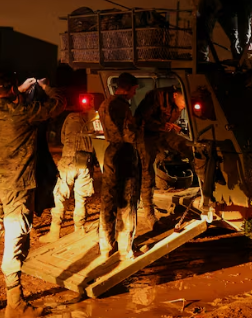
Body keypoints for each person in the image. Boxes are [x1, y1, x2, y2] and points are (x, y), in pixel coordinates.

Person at [0, 72, 66, 317]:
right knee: (14, 244)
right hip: (17, 189)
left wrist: (17, 88)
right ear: (14, 89)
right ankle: (14, 304)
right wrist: (45, 89)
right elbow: (59, 104)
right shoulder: (24, 114)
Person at [135, 86, 194, 228]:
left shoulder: (177, 105)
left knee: (189, 148)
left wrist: (171, 126)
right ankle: (150, 215)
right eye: (183, 100)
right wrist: (162, 125)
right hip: (145, 135)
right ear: (175, 95)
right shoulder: (156, 98)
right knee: (147, 174)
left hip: (161, 132)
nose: (185, 104)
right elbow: (143, 120)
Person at [97, 72, 142, 260]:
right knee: (127, 200)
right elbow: (129, 135)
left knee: (108, 199)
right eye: (133, 90)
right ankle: (125, 249)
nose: (133, 94)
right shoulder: (122, 107)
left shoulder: (105, 103)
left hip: (110, 153)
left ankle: (105, 246)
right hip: (124, 154)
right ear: (128, 88)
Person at [39, 110, 96, 243]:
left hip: (68, 161)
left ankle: (55, 231)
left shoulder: (69, 118)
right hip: (85, 161)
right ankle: (79, 230)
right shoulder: (91, 120)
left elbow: (63, 139)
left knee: (59, 197)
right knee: (81, 199)